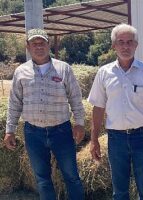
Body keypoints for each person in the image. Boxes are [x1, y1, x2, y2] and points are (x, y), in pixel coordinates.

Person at [88, 23, 143, 200]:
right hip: (116, 139)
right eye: (121, 42)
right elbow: (98, 108)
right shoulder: (104, 73)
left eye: (130, 42)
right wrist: (94, 139)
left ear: (136, 45)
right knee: (119, 191)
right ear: (114, 46)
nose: (125, 46)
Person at [3, 28, 85, 200]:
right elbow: (15, 102)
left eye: (42, 43)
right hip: (33, 134)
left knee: (71, 176)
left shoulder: (64, 69)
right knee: (42, 179)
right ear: (28, 46)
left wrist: (79, 123)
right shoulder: (21, 72)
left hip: (61, 131)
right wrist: (9, 130)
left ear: (49, 45)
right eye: (34, 43)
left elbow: (76, 98)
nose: (38, 46)